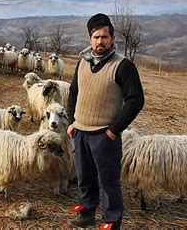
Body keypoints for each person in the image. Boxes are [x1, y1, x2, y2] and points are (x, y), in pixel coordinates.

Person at [66, 13, 144, 229]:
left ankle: (111, 221)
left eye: (104, 37)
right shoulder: (82, 63)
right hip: (81, 132)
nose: (100, 41)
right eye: (96, 37)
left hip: (104, 134)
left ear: (112, 38)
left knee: (108, 182)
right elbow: (74, 92)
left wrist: (113, 130)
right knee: (85, 177)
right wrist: (72, 121)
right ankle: (87, 213)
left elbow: (135, 100)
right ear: (90, 39)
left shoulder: (123, 66)